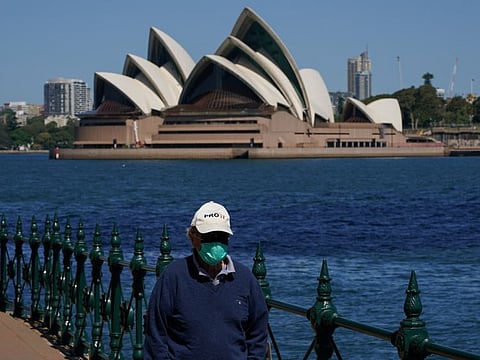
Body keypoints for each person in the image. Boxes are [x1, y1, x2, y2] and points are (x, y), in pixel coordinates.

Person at [144, 201, 269, 360]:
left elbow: (258, 334)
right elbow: (156, 335)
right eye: (209, 237)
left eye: (221, 237)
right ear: (192, 237)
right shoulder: (173, 277)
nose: (216, 243)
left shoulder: (245, 280)